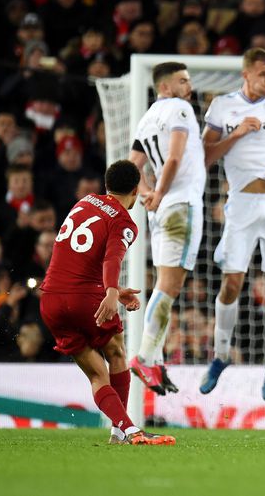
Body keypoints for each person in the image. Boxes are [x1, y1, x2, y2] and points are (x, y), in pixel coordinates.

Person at [39, 160, 175, 445]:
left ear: (106, 184)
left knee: (96, 375)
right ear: (136, 190)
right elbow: (113, 257)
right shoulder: (124, 221)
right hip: (84, 298)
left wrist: (111, 289)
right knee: (115, 353)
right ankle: (124, 432)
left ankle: (125, 431)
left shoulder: (85, 202)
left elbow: (76, 258)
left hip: (50, 298)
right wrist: (111, 292)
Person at [199, 48, 265, 401]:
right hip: (240, 205)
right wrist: (238, 132)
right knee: (231, 284)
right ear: (246, 75)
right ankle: (221, 355)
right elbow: (206, 157)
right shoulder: (223, 107)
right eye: (263, 75)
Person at [127, 61, 206, 396]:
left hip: (159, 214)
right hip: (181, 206)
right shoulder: (180, 109)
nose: (188, 86)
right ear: (165, 86)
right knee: (169, 287)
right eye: (182, 80)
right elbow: (173, 158)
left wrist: (146, 193)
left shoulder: (146, 118)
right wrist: (158, 193)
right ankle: (144, 357)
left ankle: (156, 361)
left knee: (163, 285)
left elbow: (132, 166)